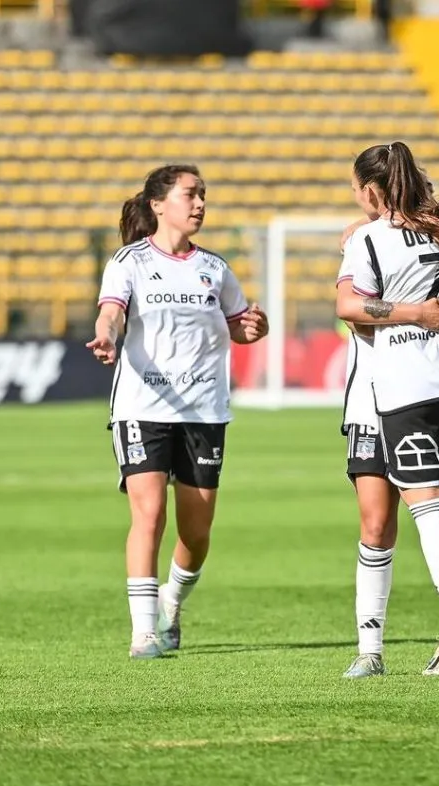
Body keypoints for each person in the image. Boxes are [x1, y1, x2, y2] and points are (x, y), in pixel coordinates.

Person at [335, 141, 439, 678]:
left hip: (405, 390)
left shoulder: (369, 238)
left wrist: (406, 310)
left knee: (435, 513)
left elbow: (347, 306)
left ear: (369, 189)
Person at [87, 164, 269, 659]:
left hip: (204, 410)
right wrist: (106, 333)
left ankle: (172, 601)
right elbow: (113, 310)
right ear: (158, 204)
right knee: (149, 514)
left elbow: (240, 326)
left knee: (197, 530)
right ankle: (143, 630)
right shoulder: (129, 262)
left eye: (203, 195)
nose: (200, 204)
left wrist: (255, 326)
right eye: (190, 194)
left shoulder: (215, 268)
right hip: (142, 406)